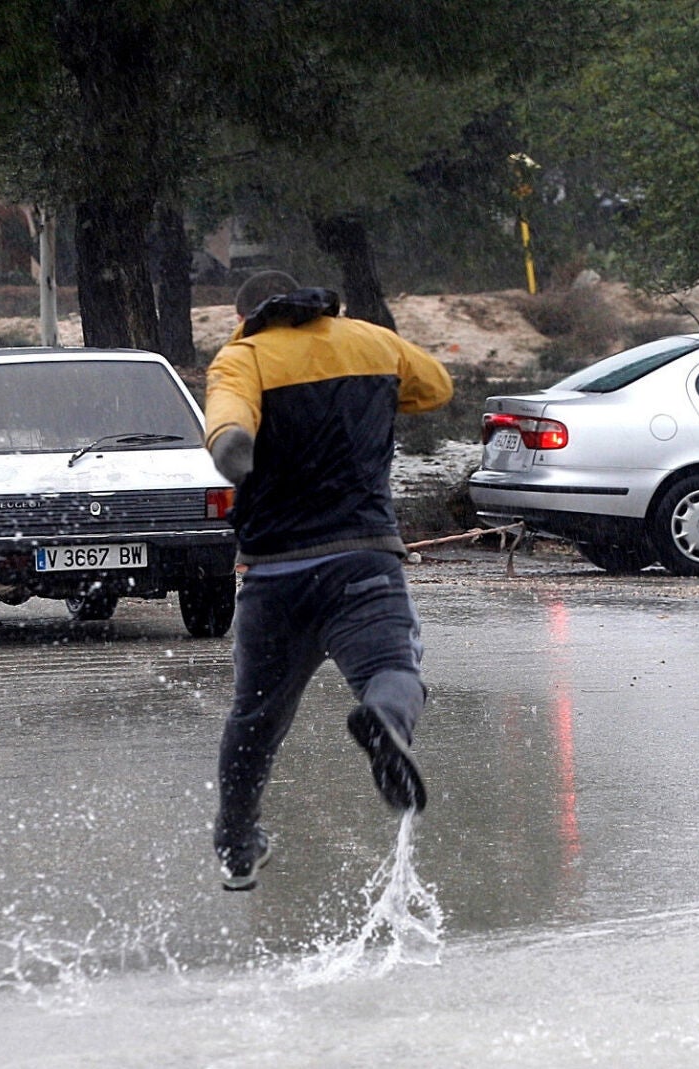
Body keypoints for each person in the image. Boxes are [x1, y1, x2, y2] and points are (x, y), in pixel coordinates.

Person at [202, 270, 454, 892]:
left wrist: (239, 452)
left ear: (245, 313)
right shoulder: (373, 343)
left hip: (275, 574)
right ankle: (386, 723)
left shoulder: (243, 357)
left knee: (255, 718)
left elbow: (228, 432)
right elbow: (437, 387)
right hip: (361, 559)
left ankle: (237, 841)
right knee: (394, 671)